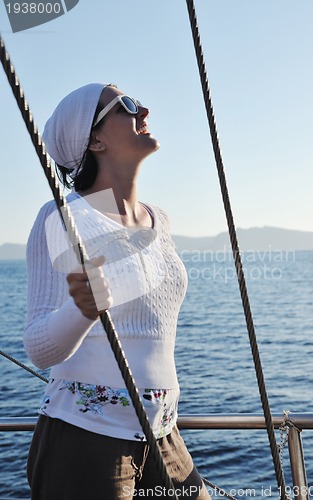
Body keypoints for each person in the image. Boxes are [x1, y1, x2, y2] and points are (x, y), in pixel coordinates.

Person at [24, 83, 211, 499]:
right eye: (126, 106)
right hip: (86, 440)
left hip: (164, 434)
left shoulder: (159, 219)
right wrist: (81, 310)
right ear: (93, 139)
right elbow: (38, 346)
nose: (144, 109)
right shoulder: (61, 217)